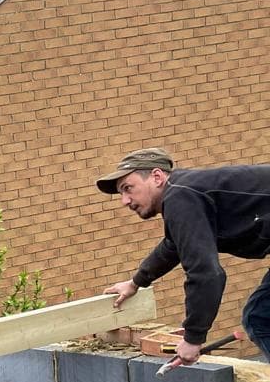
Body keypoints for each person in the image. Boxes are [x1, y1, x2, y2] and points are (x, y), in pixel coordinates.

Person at [99, 147, 270, 367]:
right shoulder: (185, 192)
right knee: (261, 316)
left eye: (128, 188)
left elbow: (207, 273)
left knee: (261, 318)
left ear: (157, 177)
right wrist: (135, 282)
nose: (124, 200)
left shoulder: (181, 196)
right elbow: (173, 245)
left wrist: (193, 338)